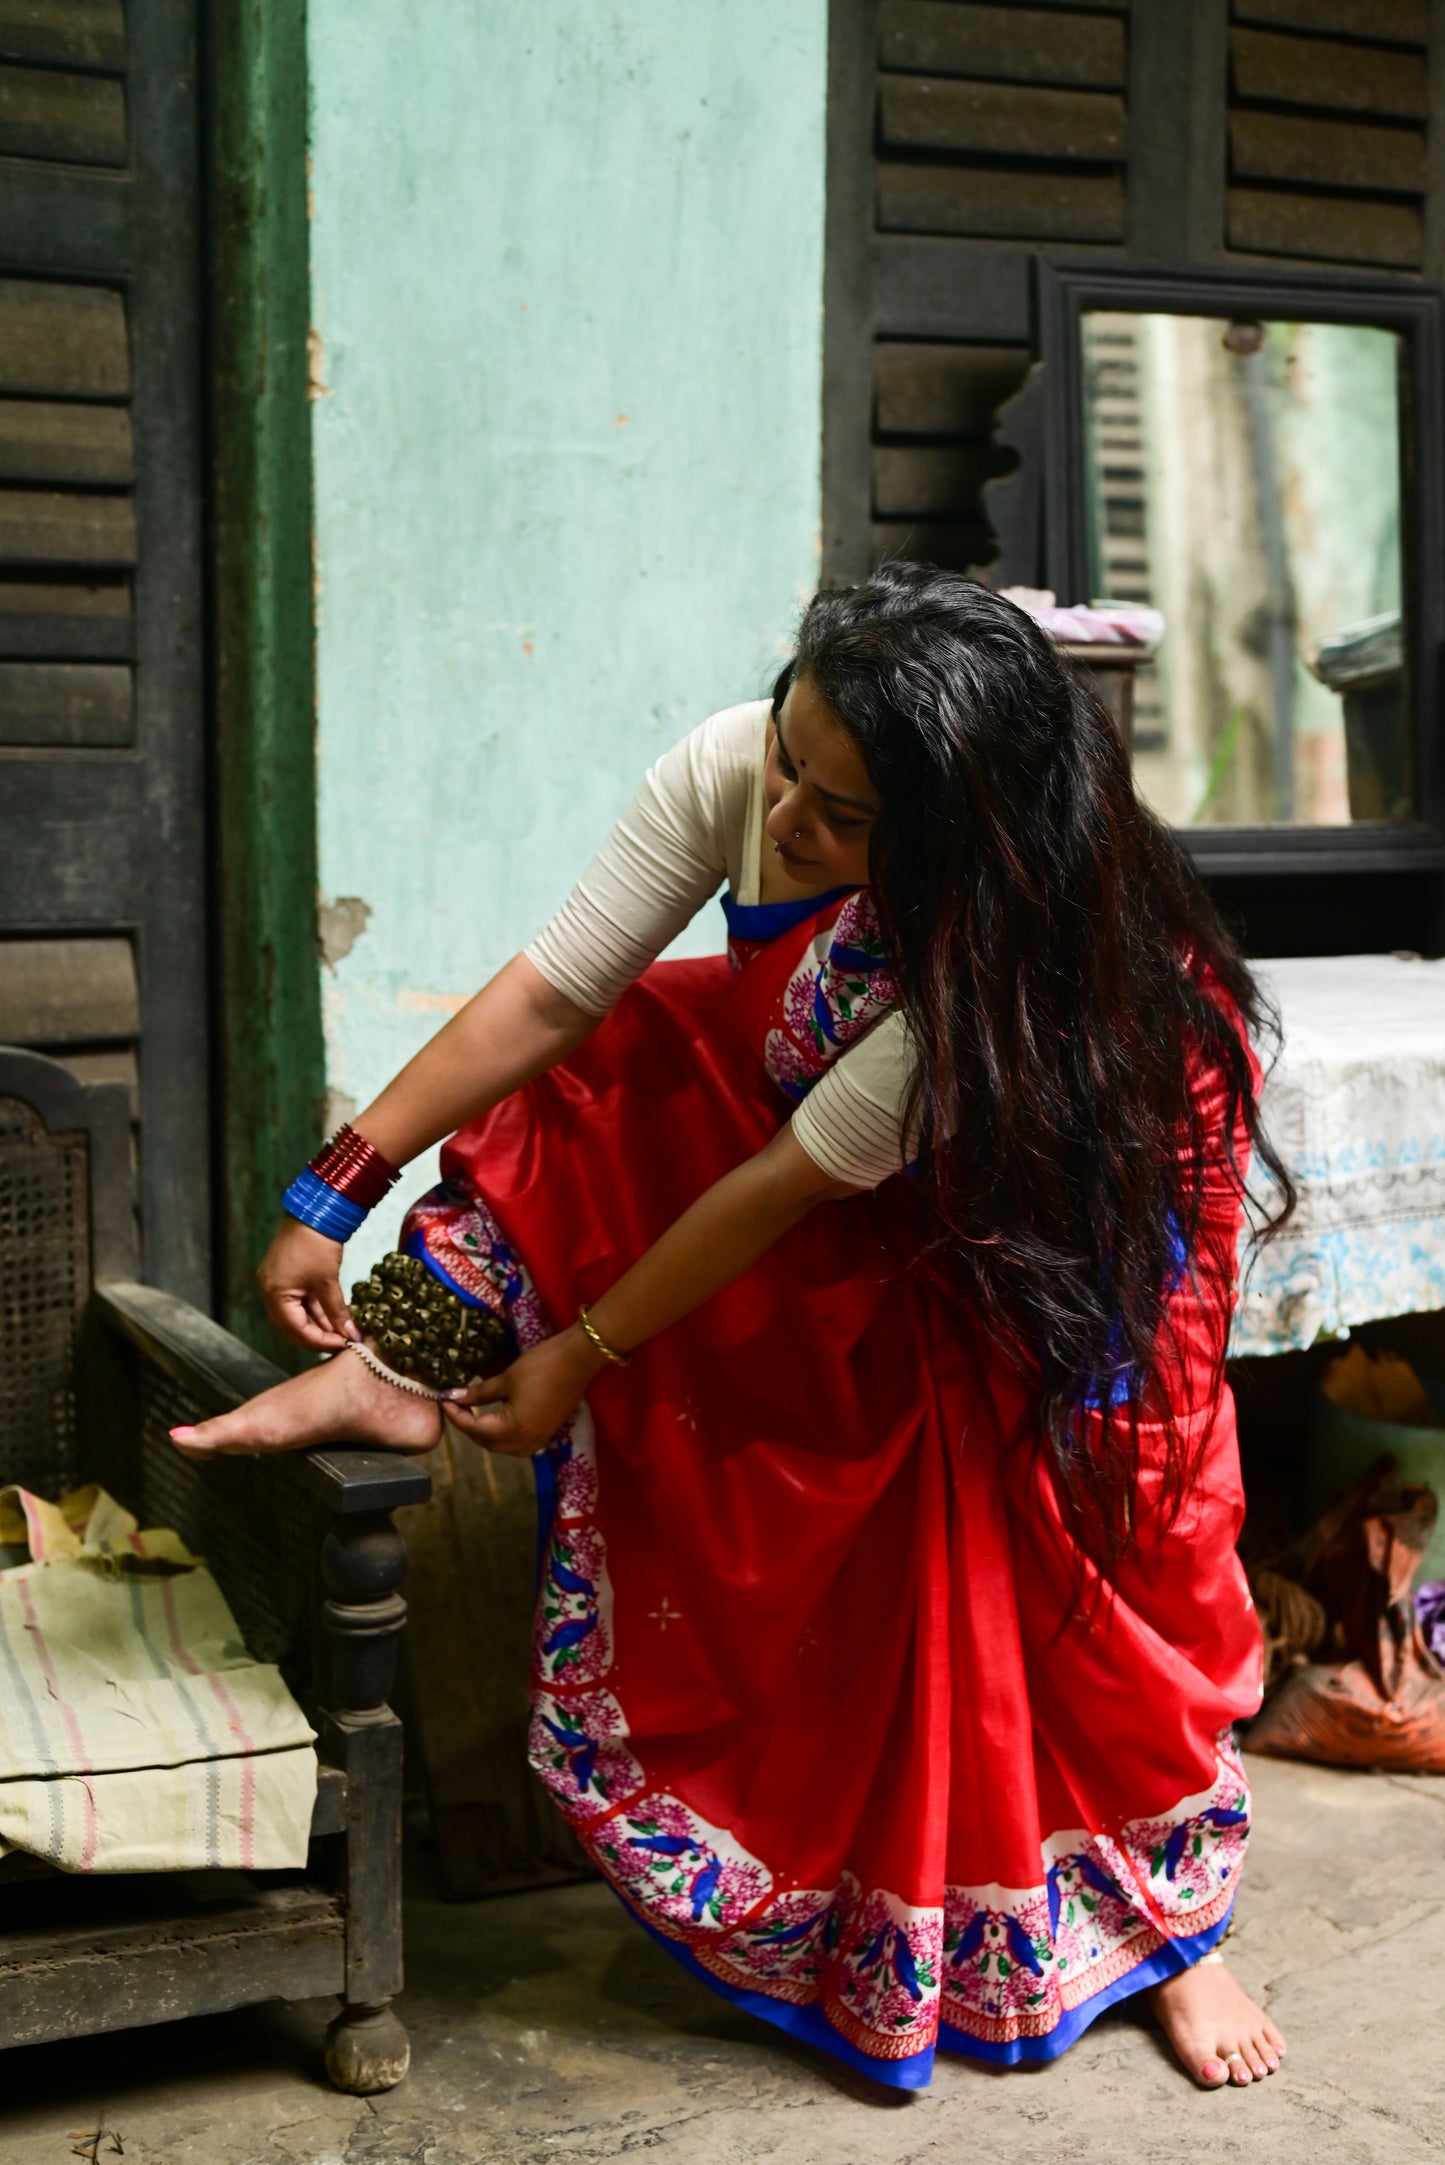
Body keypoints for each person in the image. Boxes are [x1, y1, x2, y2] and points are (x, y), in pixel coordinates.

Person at [174, 567, 1292, 2092]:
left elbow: (775, 1186)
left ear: (947, 844)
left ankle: (1174, 1919)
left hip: (1088, 1185)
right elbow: (556, 993)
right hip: (874, 1131)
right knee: (635, 1046)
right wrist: (335, 1182)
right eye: (787, 759)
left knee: (1066, 1528)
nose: (780, 822)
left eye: (836, 819)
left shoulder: (986, 968)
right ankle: (391, 1373)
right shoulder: (748, 768)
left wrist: (582, 1354)